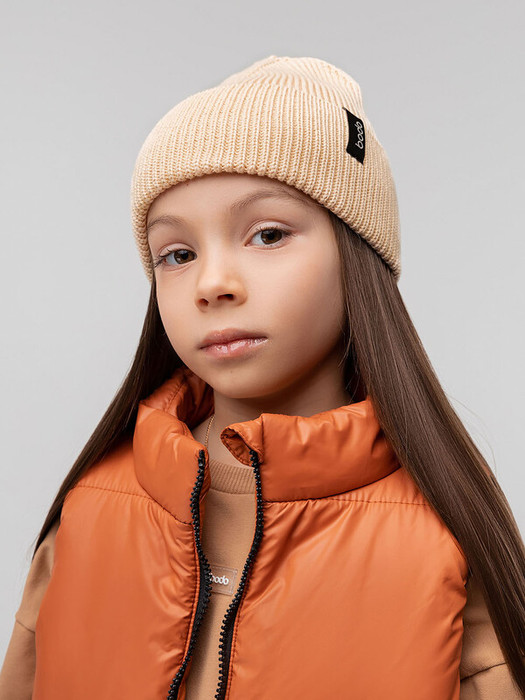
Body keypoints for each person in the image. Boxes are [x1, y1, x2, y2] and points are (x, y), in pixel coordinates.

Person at [0, 55, 524, 700]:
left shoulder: (447, 545)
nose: (213, 283)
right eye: (178, 253)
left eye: (268, 235)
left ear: (357, 255)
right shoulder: (88, 513)